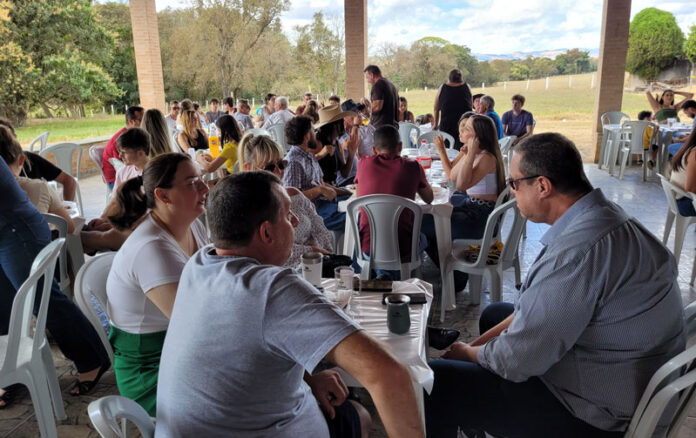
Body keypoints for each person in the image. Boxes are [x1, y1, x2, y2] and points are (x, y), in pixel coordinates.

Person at [425, 132, 685, 437]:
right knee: (495, 315)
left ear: (542, 186)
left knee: (436, 382)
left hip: (598, 412)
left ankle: (471, 410)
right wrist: (472, 349)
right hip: (619, 371)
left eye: (514, 183)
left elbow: (517, 360)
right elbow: (532, 309)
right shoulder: (603, 217)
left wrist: (467, 354)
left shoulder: (579, 252)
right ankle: (480, 416)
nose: (511, 191)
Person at [155, 171, 423, 437]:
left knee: (355, 414)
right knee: (357, 415)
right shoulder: (271, 289)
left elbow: (242, 346)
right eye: (286, 214)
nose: (295, 220)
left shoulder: (200, 264)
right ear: (266, 233)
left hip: (205, 426)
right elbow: (389, 374)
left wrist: (309, 379)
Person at [0, 151, 110, 408]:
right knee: (3, 304)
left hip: (15, 227)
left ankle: (92, 359)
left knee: (43, 299)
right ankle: (10, 371)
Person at [106, 153, 210, 416]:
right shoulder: (152, 249)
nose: (205, 188)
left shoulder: (192, 225)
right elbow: (197, 327)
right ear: (163, 195)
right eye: (192, 183)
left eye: (201, 179)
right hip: (152, 371)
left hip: (182, 349)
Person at [422, 113, 505, 290]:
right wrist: (467, 153)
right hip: (473, 210)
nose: (462, 131)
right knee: (429, 221)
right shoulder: (476, 153)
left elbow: (461, 184)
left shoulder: (487, 158)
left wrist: (470, 154)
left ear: (478, 136)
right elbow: (452, 176)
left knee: (423, 224)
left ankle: (456, 277)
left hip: (481, 220)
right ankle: (452, 269)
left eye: (467, 129)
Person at [238, 133, 333, 268]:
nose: (278, 171)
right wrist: (311, 251)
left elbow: (321, 229)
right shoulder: (250, 208)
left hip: (316, 266)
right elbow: (269, 253)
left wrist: (323, 255)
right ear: (249, 168)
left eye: (281, 164)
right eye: (269, 167)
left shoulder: (295, 194)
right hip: (280, 273)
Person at [355, 125, 433, 278]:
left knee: (362, 222)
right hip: (403, 249)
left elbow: (359, 197)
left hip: (368, 247)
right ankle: (393, 277)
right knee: (426, 235)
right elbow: (429, 198)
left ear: (374, 150)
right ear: (400, 146)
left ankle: (375, 275)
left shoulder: (363, 164)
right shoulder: (413, 167)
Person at [0, 126, 75, 233]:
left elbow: (68, 180)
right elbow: (69, 228)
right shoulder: (38, 187)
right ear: (21, 160)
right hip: (37, 242)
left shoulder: (33, 162)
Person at [284, 115, 348, 231]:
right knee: (357, 218)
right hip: (314, 213)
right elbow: (291, 198)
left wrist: (345, 192)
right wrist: (319, 190)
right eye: (314, 131)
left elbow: (321, 183)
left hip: (325, 204)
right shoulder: (293, 162)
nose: (316, 134)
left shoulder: (308, 155)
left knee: (359, 206)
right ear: (307, 136)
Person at [0, 118, 77, 202]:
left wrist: (68, 206)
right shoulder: (40, 187)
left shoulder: (31, 160)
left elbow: (68, 181)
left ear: (15, 138)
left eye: (7, 138)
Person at [314, 105, 359, 187]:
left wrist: (351, 154)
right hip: (321, 188)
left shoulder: (337, 142)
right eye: (341, 122)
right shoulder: (317, 142)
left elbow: (344, 174)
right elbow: (305, 162)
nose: (344, 125)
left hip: (335, 187)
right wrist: (320, 154)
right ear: (335, 125)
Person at [103, 106, 144, 190]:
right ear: (131, 121)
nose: (144, 123)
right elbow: (122, 166)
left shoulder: (134, 135)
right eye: (141, 120)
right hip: (114, 179)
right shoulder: (123, 140)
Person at [336, 99, 375, 187]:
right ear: (344, 117)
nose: (357, 115)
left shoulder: (352, 131)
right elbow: (350, 145)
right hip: (345, 181)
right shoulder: (340, 132)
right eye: (353, 112)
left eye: (357, 112)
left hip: (356, 177)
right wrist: (356, 125)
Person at [434, 69, 472, 150]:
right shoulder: (467, 87)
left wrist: (435, 125)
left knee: (446, 150)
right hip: (464, 125)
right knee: (463, 151)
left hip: (446, 125)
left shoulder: (442, 87)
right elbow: (471, 106)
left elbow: (436, 108)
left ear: (449, 78)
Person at [669, 129, 696, 216]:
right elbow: (691, 189)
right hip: (686, 202)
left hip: (681, 198)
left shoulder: (688, 147)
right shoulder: (694, 152)